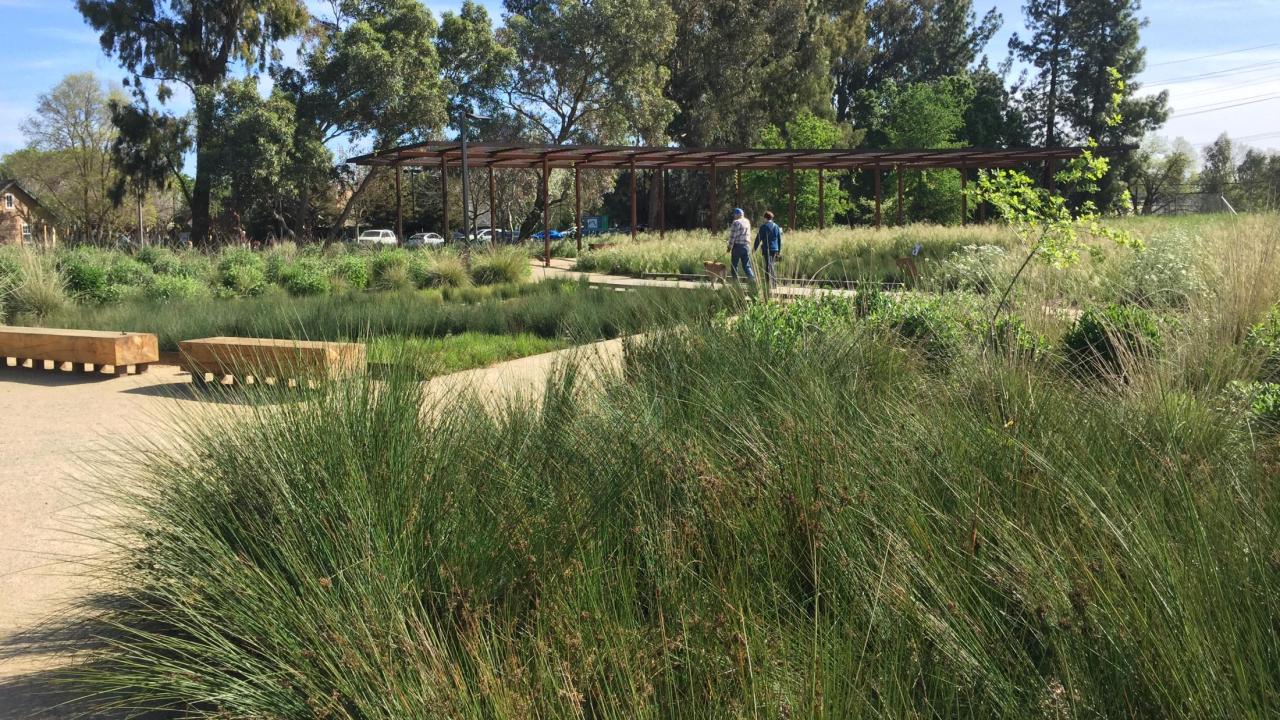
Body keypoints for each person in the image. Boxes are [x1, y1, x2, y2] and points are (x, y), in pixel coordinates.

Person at [754, 211, 783, 284]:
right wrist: (779, 251)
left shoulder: (763, 227)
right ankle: (773, 282)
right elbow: (779, 239)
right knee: (771, 264)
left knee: (768, 265)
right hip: (775, 249)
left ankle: (769, 283)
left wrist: (754, 249)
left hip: (767, 248)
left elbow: (758, 238)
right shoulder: (776, 226)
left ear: (765, 218)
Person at [726, 208, 754, 281]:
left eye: (735, 214)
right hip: (746, 246)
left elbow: (733, 236)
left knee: (734, 265)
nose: (734, 216)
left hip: (737, 246)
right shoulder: (747, 221)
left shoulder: (736, 222)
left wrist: (729, 247)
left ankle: (735, 283)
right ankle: (753, 282)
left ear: (737, 214)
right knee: (746, 266)